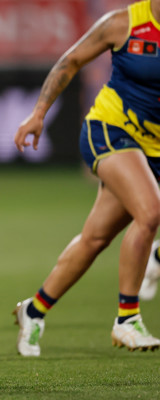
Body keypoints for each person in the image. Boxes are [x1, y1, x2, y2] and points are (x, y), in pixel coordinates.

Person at [13, 0, 160, 356]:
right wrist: (38, 114)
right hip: (108, 130)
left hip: (152, 148)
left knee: (95, 238)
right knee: (151, 212)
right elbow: (71, 61)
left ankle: (33, 311)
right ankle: (127, 319)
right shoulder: (124, 22)